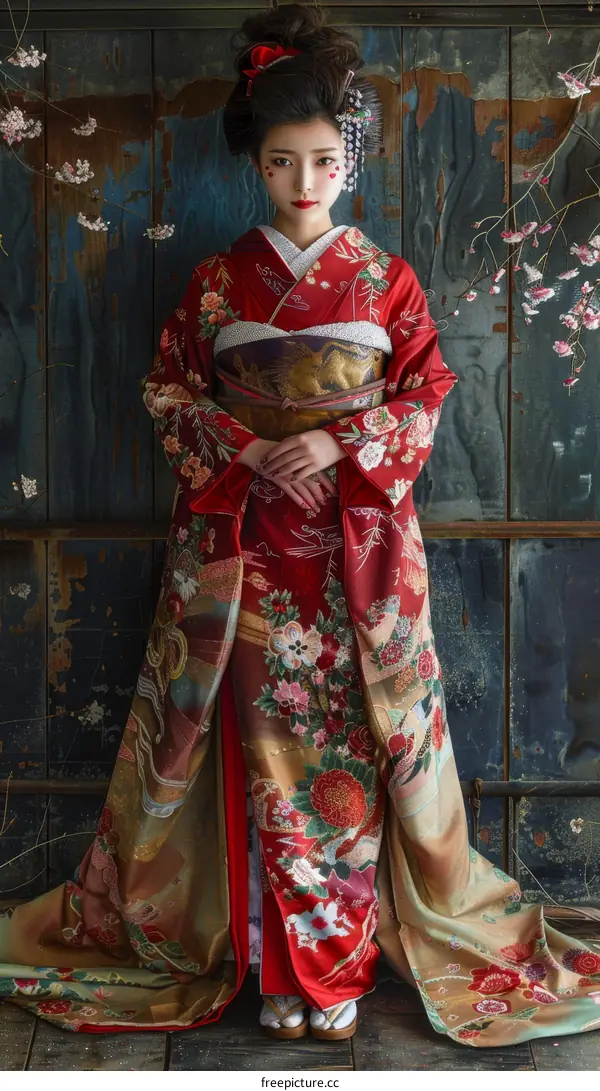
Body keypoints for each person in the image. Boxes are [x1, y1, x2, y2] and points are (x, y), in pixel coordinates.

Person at [1, 2, 600, 1048]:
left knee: (356, 753)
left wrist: (339, 441)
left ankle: (338, 969)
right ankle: (278, 966)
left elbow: (426, 389)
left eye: (323, 160)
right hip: (247, 554)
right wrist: (241, 447)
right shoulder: (219, 281)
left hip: (357, 555)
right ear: (258, 164)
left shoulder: (385, 280)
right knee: (263, 758)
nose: (305, 182)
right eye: (283, 163)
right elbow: (166, 391)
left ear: (350, 160)